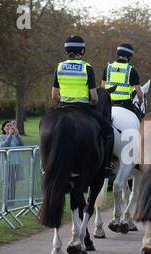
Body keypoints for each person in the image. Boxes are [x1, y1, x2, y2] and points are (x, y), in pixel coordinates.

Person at [52, 35, 114, 175]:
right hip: (83, 107)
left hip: (63, 106)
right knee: (109, 132)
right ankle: (106, 167)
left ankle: (45, 168)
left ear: (66, 50)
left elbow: (54, 96)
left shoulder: (59, 67)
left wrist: (65, 99)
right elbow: (94, 97)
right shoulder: (87, 68)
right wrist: (93, 102)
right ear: (82, 50)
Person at [102, 43, 145, 121]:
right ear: (130, 56)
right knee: (143, 119)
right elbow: (139, 94)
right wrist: (140, 102)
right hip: (125, 104)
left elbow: (102, 88)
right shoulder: (131, 70)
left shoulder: (108, 67)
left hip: (108, 104)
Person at [0, 120, 24, 204]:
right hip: (7, 163)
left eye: (11, 125)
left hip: (16, 163)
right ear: (3, 128)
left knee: (13, 183)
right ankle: (6, 200)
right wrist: (9, 135)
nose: (10, 127)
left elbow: (21, 144)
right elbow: (4, 145)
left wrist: (17, 134)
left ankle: (12, 200)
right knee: (7, 183)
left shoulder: (14, 137)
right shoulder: (1, 137)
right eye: (7, 126)